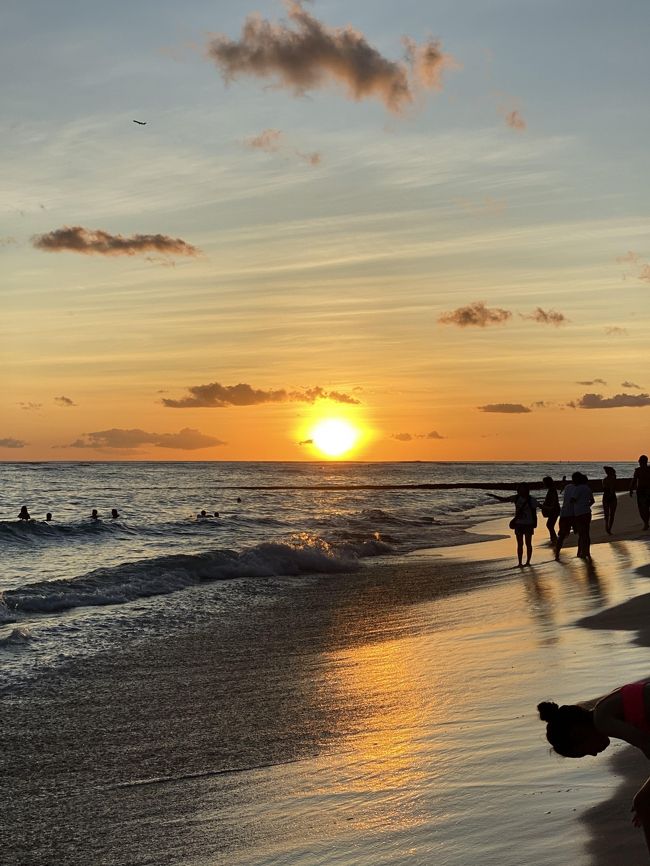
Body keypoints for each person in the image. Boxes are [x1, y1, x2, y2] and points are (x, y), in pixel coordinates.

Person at [538, 678, 650, 855]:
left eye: (584, 751)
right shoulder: (604, 708)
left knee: (644, 803)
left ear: (578, 732)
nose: (594, 754)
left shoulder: (602, 721)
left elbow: (645, 742)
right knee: (644, 802)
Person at [488, 482, 538, 566]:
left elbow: (537, 509)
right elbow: (504, 499)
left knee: (528, 543)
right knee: (520, 544)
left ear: (526, 489)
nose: (521, 490)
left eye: (523, 488)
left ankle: (528, 562)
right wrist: (494, 496)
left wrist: (536, 522)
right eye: (519, 488)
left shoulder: (532, 499)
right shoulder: (516, 498)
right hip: (518, 524)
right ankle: (520, 563)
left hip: (528, 524)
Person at [573, 472, 594, 559]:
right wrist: (586, 506)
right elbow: (592, 501)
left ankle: (582, 552)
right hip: (587, 512)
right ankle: (587, 552)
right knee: (586, 533)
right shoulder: (587, 488)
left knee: (581, 534)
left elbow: (573, 499)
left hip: (579, 513)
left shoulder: (577, 489)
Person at [630, 455, 650, 530]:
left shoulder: (639, 470)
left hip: (643, 491)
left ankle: (646, 523)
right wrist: (631, 489)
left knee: (642, 508)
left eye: (640, 461)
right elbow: (634, 480)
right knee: (644, 508)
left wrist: (631, 489)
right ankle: (646, 523)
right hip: (643, 491)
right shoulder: (639, 470)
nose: (638, 462)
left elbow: (634, 480)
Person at [539, 476, 561, 545]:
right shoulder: (551, 489)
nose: (544, 484)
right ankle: (553, 538)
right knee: (550, 525)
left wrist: (551, 507)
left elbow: (554, 499)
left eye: (544, 483)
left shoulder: (552, 490)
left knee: (550, 525)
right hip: (554, 509)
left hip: (554, 510)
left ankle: (554, 539)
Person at [602, 466, 618, 534]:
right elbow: (612, 488)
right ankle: (609, 528)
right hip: (612, 496)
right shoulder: (613, 479)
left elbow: (605, 488)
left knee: (606, 514)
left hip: (606, 496)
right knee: (612, 514)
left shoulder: (604, 480)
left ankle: (607, 526)